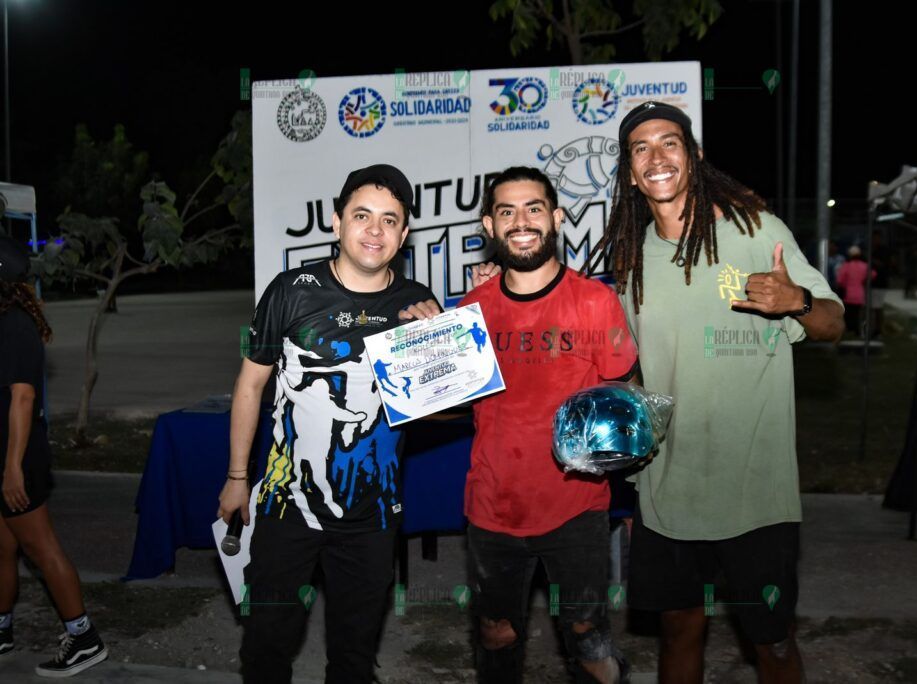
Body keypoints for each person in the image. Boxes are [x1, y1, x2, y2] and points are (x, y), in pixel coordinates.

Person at [590, 101, 844, 683]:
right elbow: (634, 367)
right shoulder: (629, 260)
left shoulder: (756, 230)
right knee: (680, 628)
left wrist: (798, 302)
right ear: (630, 172)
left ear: (695, 157)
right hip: (669, 487)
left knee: (773, 641)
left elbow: (834, 324)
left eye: (670, 143)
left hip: (756, 485)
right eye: (641, 148)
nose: (657, 157)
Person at [217, 164, 440, 684]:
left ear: (404, 234)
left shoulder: (416, 302)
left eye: (390, 220)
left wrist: (439, 348)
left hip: (373, 512)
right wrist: (235, 478)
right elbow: (250, 385)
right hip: (284, 505)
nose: (374, 231)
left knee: (354, 656)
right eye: (362, 215)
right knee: (267, 647)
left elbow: (442, 409)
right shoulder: (291, 291)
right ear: (337, 221)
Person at [459, 167, 638, 683]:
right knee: (497, 636)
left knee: (587, 637)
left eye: (534, 208)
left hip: (576, 507)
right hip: (493, 507)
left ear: (556, 218)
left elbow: (624, 401)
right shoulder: (473, 308)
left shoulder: (594, 301)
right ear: (489, 226)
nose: (522, 221)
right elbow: (445, 405)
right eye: (507, 211)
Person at [0, 235, 109, 677]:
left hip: (17, 458)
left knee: (40, 548)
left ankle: (83, 638)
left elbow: (23, 399)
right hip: (5, 455)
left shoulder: (13, 326)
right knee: (3, 549)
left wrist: (11, 467)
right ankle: (2, 629)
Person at [836, 245, 875, 337]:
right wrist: (864, 281)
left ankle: (849, 330)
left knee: (848, 314)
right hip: (860, 294)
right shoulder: (864, 266)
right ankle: (858, 332)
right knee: (858, 314)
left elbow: (839, 280)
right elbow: (873, 274)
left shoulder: (846, 266)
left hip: (848, 294)